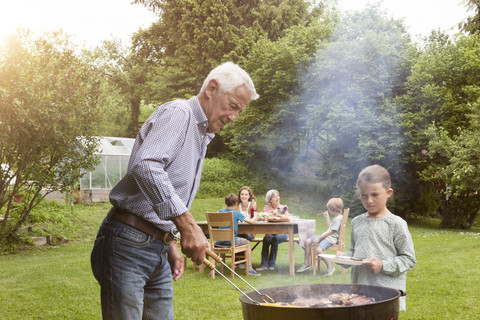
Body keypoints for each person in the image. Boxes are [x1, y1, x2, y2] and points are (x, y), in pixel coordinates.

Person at [90, 61, 259, 320]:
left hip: (155, 246)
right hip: (127, 245)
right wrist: (187, 226)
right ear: (212, 88)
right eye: (232, 106)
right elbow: (146, 167)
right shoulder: (180, 113)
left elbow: (163, 188)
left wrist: (168, 238)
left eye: (239, 112)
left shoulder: (201, 134)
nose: (233, 117)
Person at [338, 164, 416, 311]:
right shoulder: (356, 222)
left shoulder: (396, 224)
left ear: (388, 193)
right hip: (358, 295)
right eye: (364, 195)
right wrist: (343, 258)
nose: (369, 200)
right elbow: (355, 253)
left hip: (385, 295)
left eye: (375, 195)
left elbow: (409, 259)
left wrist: (382, 265)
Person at [296, 198, 344, 275]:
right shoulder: (337, 217)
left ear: (333, 209)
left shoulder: (338, 218)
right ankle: (306, 263)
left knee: (319, 250)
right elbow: (330, 228)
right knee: (307, 241)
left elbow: (332, 231)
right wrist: (327, 217)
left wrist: (319, 238)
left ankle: (330, 267)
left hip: (330, 238)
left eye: (329, 208)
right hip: (327, 236)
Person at [216, 193, 260, 276]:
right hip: (231, 242)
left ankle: (213, 269)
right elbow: (251, 221)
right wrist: (256, 216)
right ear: (236, 203)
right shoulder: (236, 213)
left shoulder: (219, 212)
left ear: (225, 203)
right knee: (248, 243)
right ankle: (249, 269)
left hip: (218, 242)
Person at [256, 189, 289, 271]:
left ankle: (272, 265)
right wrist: (266, 232)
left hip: (283, 232)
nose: (277, 198)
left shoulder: (283, 207)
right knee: (266, 239)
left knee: (275, 239)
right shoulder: (266, 208)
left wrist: (278, 215)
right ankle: (264, 264)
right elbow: (264, 219)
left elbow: (287, 218)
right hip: (271, 231)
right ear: (270, 200)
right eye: (275, 197)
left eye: (278, 196)